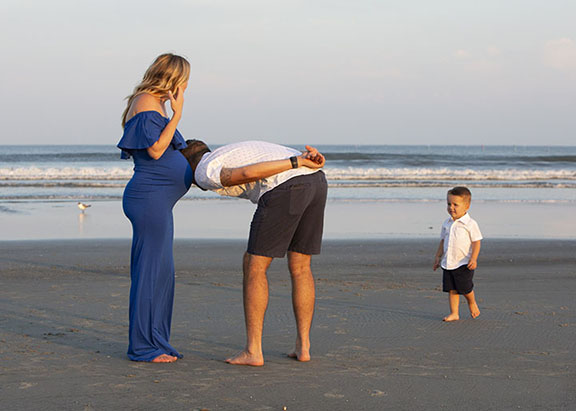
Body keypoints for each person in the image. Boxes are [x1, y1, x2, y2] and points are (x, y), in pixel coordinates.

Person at [181, 140, 327, 366]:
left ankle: (253, 351)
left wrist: (295, 161)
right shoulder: (225, 153)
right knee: (300, 266)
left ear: (187, 163)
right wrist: (302, 161)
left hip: (287, 186)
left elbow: (247, 172)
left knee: (254, 265)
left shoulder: (203, 170)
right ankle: (303, 346)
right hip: (315, 181)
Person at [117, 53, 191, 362]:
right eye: (184, 80)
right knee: (150, 273)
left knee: (161, 273)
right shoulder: (147, 101)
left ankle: (156, 341)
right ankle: (144, 347)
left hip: (158, 201)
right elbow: (157, 150)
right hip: (149, 199)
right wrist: (178, 114)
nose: (186, 86)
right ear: (173, 78)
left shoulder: (154, 104)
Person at [433, 186, 483, 322]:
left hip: (463, 263)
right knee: (452, 289)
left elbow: (476, 242)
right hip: (448, 262)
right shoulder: (447, 223)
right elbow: (442, 241)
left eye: (456, 204)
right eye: (449, 204)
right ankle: (454, 313)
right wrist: (438, 257)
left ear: (467, 206)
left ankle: (471, 302)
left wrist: (474, 258)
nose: (451, 207)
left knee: (465, 288)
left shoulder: (470, 224)